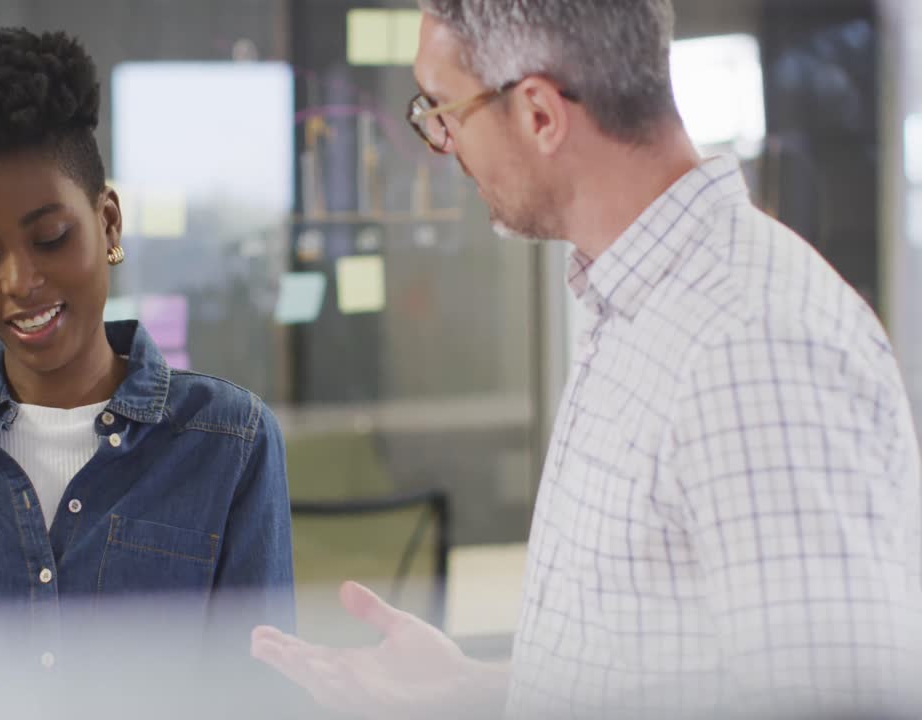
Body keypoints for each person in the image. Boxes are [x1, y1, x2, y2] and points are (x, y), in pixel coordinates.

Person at [251, 1, 922, 718]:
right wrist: (473, 689)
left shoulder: (750, 346)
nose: (441, 144)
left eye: (445, 110)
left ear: (540, 113)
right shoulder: (639, 306)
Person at [0, 25, 295, 718]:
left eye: (50, 238)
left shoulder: (229, 443)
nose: (20, 282)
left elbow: (261, 699)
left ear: (108, 224)